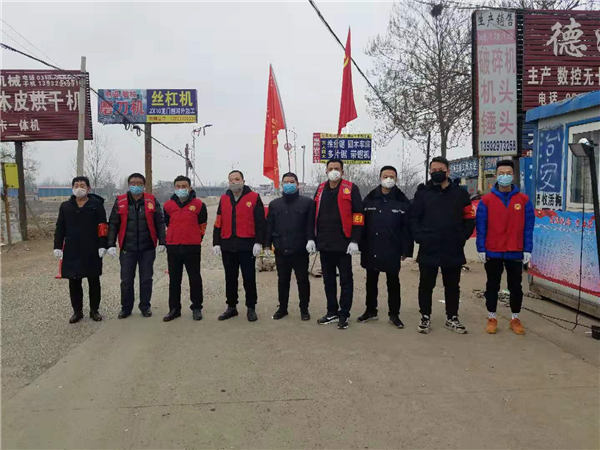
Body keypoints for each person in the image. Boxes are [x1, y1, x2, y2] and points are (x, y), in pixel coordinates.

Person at [410, 156, 475, 334]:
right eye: (434, 170)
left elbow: (469, 218)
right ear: (430, 172)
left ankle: (452, 317)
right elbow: (414, 218)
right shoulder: (422, 193)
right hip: (429, 246)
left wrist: (461, 237)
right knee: (426, 285)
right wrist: (420, 237)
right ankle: (425, 316)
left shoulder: (460, 194)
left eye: (440, 170)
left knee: (452, 285)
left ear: (448, 171)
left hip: (452, 247)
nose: (437, 173)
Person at [476, 160, 535, 335]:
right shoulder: (486, 200)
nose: (505, 176)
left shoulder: (523, 200)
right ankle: (492, 317)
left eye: (508, 173)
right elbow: (481, 226)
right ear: (496, 175)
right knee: (492, 285)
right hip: (493, 250)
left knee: (515, 286)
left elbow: (528, 227)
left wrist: (527, 248)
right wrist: (481, 248)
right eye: (501, 173)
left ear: (513, 175)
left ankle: (515, 318)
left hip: (515, 250)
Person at [358, 165, 413, 328]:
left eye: (392, 177)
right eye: (385, 176)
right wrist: (359, 243)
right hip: (371, 246)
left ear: (396, 179)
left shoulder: (402, 201)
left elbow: (407, 228)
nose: (388, 179)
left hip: (392, 248)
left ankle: (394, 314)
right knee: (371, 281)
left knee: (393, 282)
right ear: (380, 178)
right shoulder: (369, 199)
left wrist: (406, 250)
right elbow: (361, 223)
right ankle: (370, 310)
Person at [107, 173, 166, 319]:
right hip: (127, 249)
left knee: (146, 279)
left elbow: (160, 222)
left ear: (144, 185)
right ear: (129, 185)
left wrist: (162, 241)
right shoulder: (120, 201)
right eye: (133, 183)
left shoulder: (151, 200)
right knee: (126, 280)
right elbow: (113, 223)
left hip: (147, 248)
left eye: (139, 183)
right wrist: (111, 244)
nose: (136, 186)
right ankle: (126, 308)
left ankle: (145, 306)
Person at [314, 158, 364, 330]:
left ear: (342, 171)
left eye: (337, 168)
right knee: (328, 280)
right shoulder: (321, 189)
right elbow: (314, 213)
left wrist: (355, 240)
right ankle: (332, 311)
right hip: (325, 243)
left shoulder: (351, 188)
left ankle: (344, 314)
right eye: (331, 168)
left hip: (344, 244)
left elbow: (358, 215)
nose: (333, 171)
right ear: (326, 171)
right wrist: (312, 238)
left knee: (345, 280)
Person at [213, 170, 267, 322]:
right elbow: (218, 221)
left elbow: (261, 222)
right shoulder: (224, 198)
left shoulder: (254, 197)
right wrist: (216, 242)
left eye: (237, 179)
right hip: (228, 245)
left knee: (249, 278)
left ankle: (251, 307)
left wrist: (259, 242)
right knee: (230, 278)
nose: (234, 182)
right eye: (231, 180)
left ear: (243, 181)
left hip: (247, 245)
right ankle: (231, 307)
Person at [53, 176, 108, 323]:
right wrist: (57, 246)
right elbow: (60, 227)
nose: (79, 188)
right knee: (74, 281)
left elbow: (103, 226)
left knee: (93, 280)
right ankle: (77, 312)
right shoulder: (65, 206)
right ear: (72, 188)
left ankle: (94, 310)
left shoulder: (96, 205)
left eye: (82, 185)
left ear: (88, 188)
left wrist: (103, 244)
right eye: (76, 185)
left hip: (92, 248)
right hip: (72, 249)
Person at [266, 172, 315, 321]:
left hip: (300, 249)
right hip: (281, 249)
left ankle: (304, 309)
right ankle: (282, 308)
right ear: (281, 185)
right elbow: (269, 226)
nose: (289, 184)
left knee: (303, 281)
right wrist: (267, 245)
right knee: (282, 280)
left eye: (292, 182)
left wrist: (311, 240)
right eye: (286, 182)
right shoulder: (275, 205)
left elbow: (310, 224)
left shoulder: (307, 203)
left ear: (297, 184)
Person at [162, 175, 207, 322]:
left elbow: (202, 225)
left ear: (190, 188)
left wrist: (195, 238)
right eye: (178, 186)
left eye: (184, 186)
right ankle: (174, 309)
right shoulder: (168, 206)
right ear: (174, 188)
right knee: (174, 280)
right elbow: (167, 223)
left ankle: (197, 307)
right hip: (173, 247)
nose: (181, 189)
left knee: (195, 278)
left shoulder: (199, 205)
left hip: (192, 247)